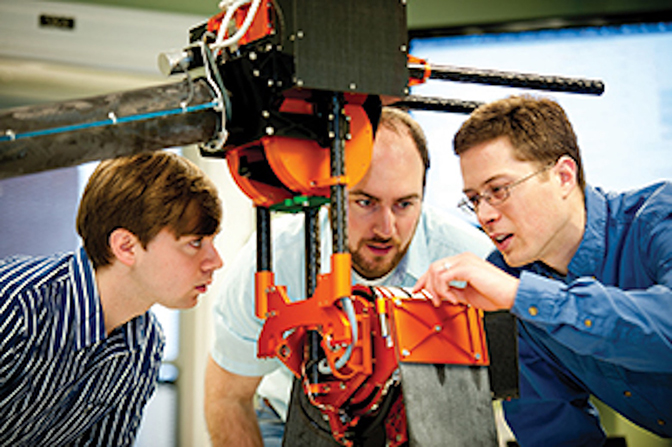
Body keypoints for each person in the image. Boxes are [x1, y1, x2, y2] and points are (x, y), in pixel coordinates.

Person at [204, 107, 494, 446]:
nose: (386, 229)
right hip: (287, 418)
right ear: (330, 193)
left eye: (404, 204)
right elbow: (228, 399)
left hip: (417, 424)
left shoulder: (469, 260)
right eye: (366, 202)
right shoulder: (275, 259)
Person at [414, 95, 672, 445]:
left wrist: (520, 297)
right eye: (475, 198)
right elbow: (552, 427)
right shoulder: (510, 277)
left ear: (564, 176)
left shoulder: (660, 219)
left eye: (499, 190)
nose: (484, 215)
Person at [0, 151, 224, 446]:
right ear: (126, 247)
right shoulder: (17, 305)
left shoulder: (144, 345)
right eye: (194, 243)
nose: (215, 261)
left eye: (211, 242)